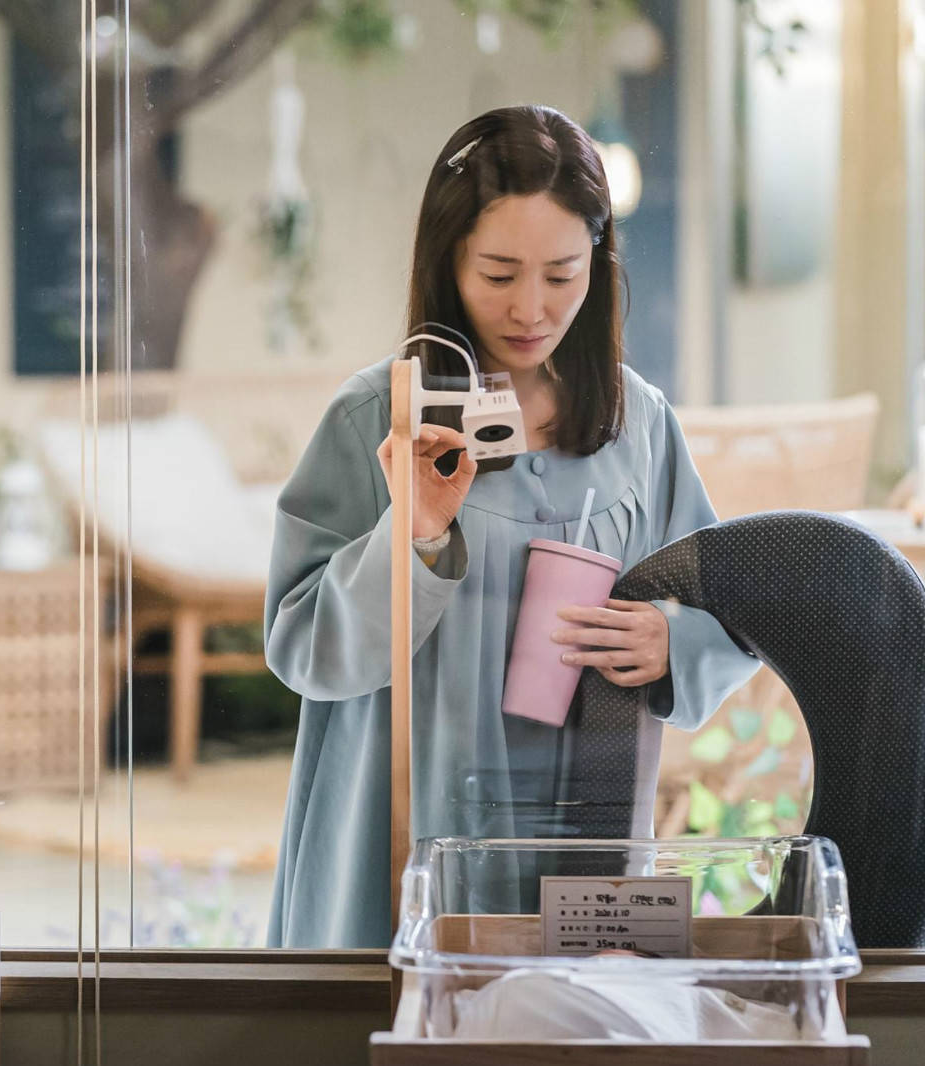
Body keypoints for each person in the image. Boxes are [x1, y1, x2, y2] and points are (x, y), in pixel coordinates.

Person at [262, 105, 759, 949]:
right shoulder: (375, 420)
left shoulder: (639, 424)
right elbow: (301, 646)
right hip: (398, 831)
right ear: (447, 261)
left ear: (599, 265)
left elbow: (736, 612)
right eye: (499, 273)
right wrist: (414, 534)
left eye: (563, 274)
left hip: (586, 842)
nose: (532, 308)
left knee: (564, 1030)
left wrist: (675, 646)